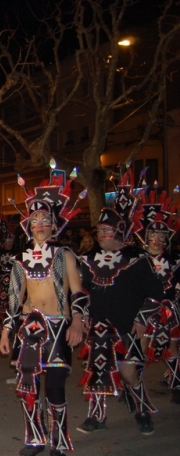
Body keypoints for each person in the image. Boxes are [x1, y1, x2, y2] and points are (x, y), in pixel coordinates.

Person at [0, 163, 86, 456]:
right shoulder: (20, 260)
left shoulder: (65, 255)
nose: (39, 225)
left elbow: (78, 292)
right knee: (29, 389)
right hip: (30, 329)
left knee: (56, 389)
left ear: (53, 225)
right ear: (28, 226)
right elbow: (14, 299)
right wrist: (6, 332)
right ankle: (35, 438)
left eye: (45, 220)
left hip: (58, 326)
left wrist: (77, 321)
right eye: (34, 220)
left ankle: (58, 444)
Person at [75, 171, 164, 436]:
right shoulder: (89, 260)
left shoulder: (138, 260)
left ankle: (142, 411)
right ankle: (97, 416)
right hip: (99, 327)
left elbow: (156, 295)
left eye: (106, 230)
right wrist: (83, 315)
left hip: (127, 327)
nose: (100, 234)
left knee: (129, 374)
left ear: (119, 232)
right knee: (97, 371)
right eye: (99, 231)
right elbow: (82, 291)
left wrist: (142, 320)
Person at [134, 189, 180, 404]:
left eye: (162, 236)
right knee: (141, 347)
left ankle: (177, 384)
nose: (158, 240)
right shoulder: (138, 260)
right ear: (146, 238)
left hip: (169, 311)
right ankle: (136, 388)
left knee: (172, 346)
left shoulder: (175, 260)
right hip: (144, 310)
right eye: (153, 235)